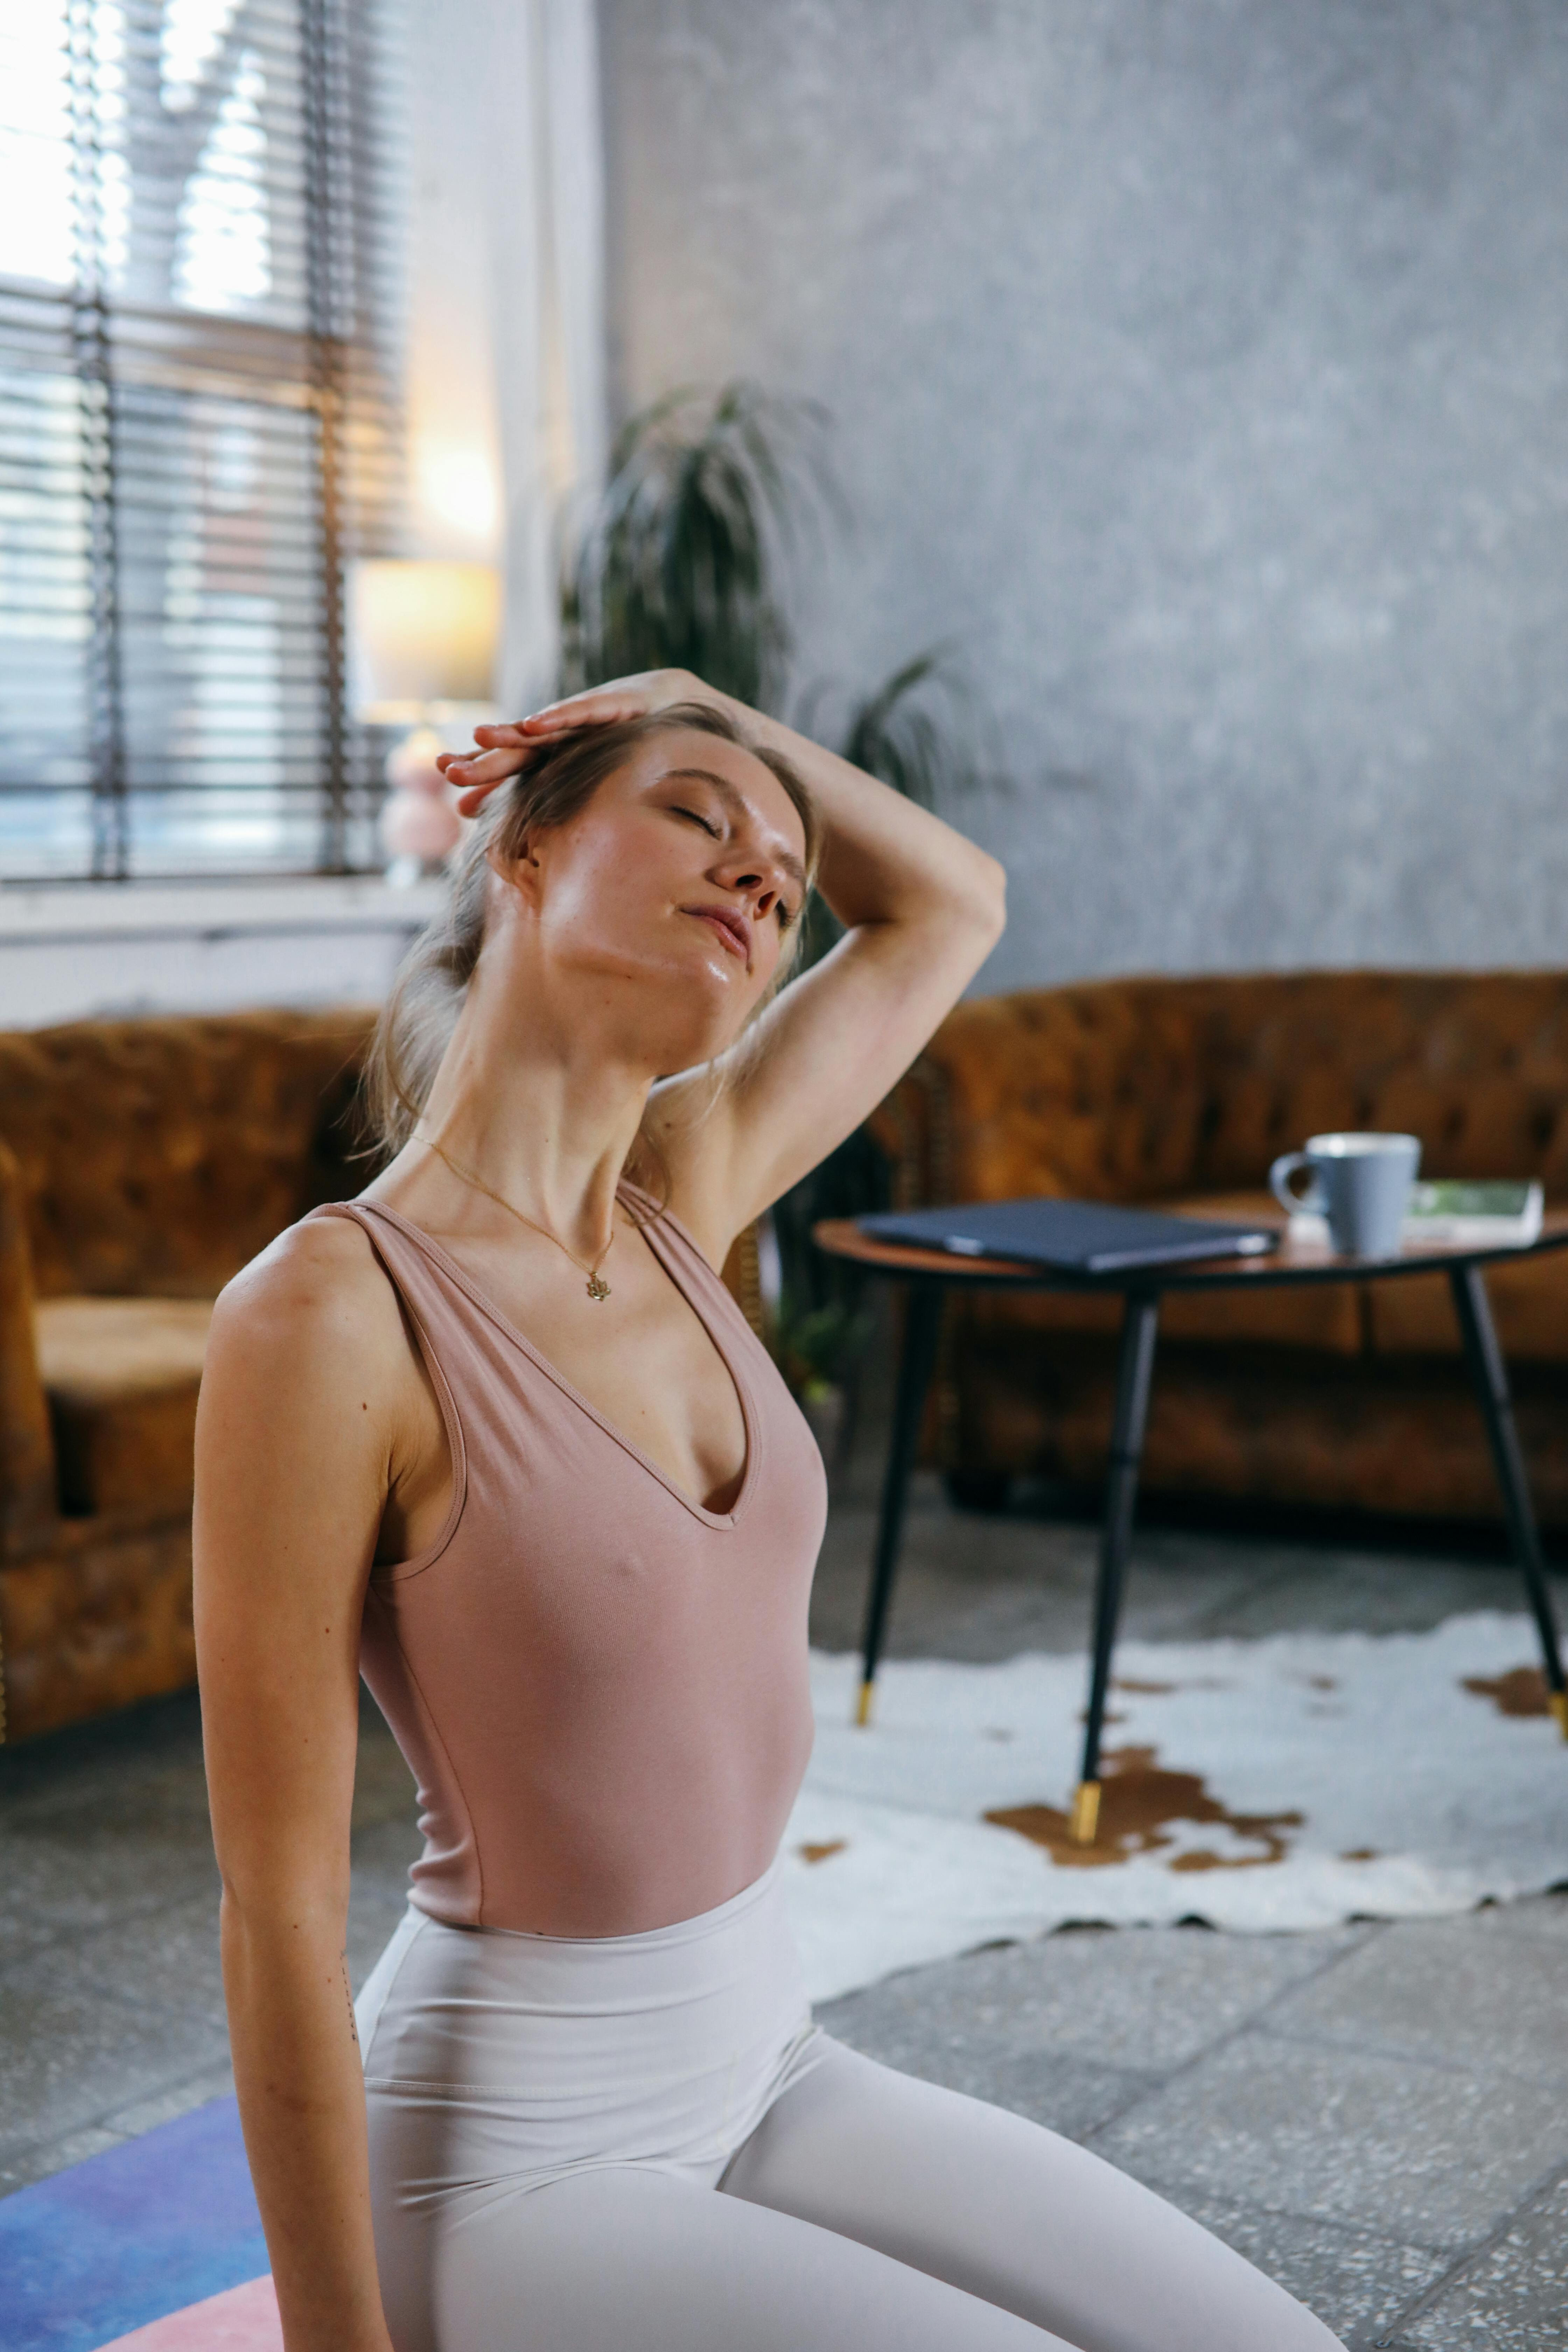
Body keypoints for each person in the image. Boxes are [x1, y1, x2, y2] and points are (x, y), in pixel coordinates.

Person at [195, 669, 1342, 2352]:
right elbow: (275, 1907)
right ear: (519, 847)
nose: (757, 876)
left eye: (783, 878)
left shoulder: (686, 1188)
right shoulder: (330, 1314)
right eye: (691, 816)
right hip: (507, 2158)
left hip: (769, 2061)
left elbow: (952, 902)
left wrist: (698, 707)